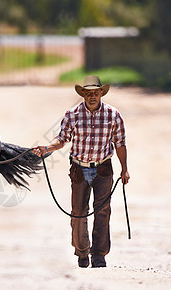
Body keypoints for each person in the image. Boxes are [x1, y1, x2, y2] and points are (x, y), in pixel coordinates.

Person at [33, 75, 130, 268]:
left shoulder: (113, 115)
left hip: (104, 168)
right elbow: (62, 140)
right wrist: (46, 148)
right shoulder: (72, 114)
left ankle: (99, 255)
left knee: (103, 211)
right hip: (79, 168)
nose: (92, 96)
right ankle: (82, 252)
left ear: (101, 93)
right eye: (88, 93)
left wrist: (124, 169)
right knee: (78, 212)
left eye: (95, 92)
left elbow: (120, 144)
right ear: (83, 94)